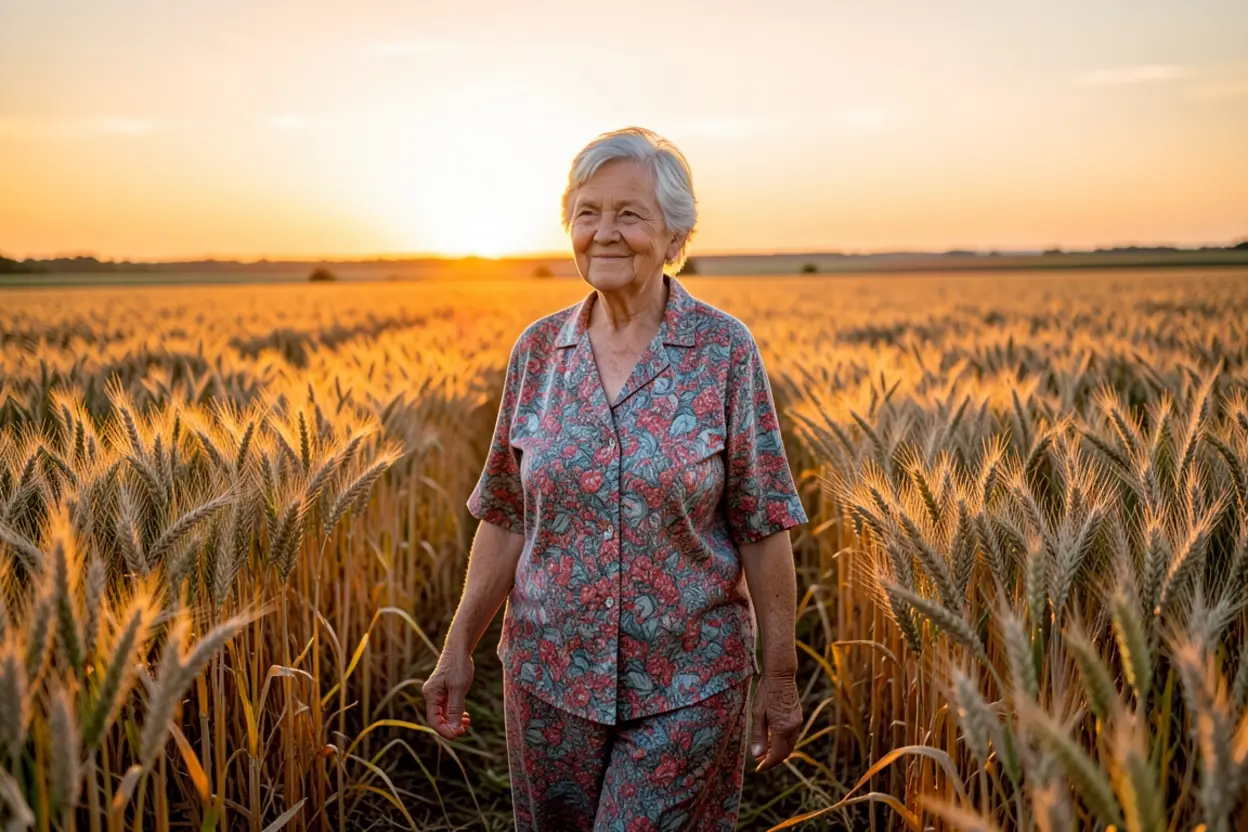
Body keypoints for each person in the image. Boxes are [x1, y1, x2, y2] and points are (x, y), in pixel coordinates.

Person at [422, 126, 808, 830]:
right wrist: (457, 648)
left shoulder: (723, 351)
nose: (604, 232)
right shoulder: (538, 351)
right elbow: (506, 516)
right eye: (587, 212)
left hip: (689, 685)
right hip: (546, 682)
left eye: (629, 214)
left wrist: (779, 679)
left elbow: (764, 522)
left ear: (673, 236)